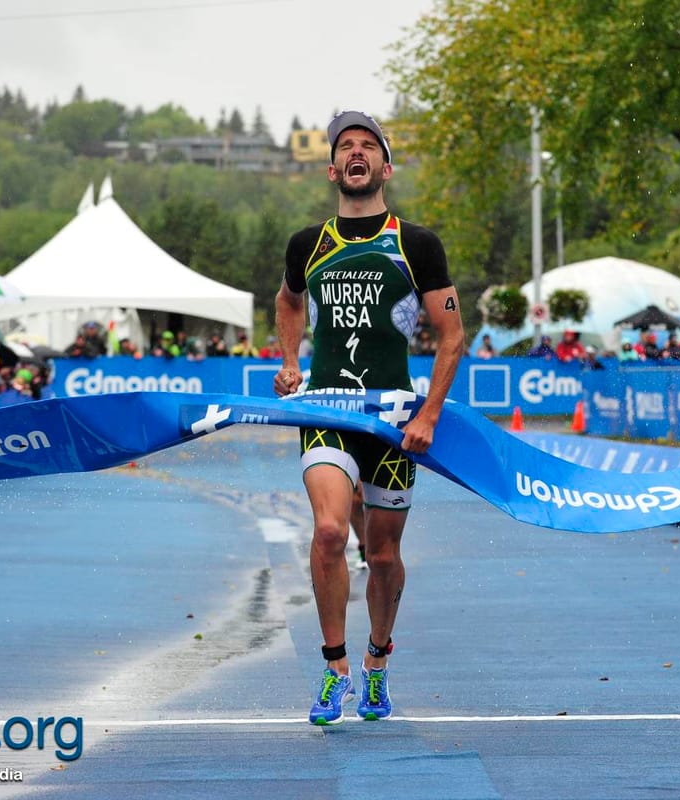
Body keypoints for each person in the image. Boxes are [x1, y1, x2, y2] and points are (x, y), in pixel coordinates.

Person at [273, 110, 463, 725]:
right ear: (333, 169)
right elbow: (287, 301)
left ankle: (378, 662)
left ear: (385, 166)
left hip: (393, 418)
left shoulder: (418, 244)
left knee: (382, 556)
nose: (356, 153)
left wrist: (428, 415)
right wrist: (289, 362)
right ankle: (335, 669)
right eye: (345, 147)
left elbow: (451, 334)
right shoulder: (308, 244)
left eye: (368, 146)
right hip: (326, 408)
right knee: (330, 532)